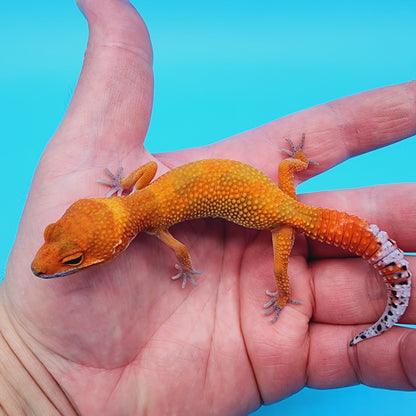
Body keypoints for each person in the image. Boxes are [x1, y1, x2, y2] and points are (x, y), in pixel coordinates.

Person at [0, 0, 415, 414]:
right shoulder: (139, 197)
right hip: (279, 192)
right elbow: (144, 171)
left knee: (279, 270)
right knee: (286, 188)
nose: (50, 266)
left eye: (72, 258)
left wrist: (185, 268)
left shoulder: (151, 224)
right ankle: (362, 266)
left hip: (280, 219)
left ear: (116, 240)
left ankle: (296, 294)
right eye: (63, 250)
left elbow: (181, 250)